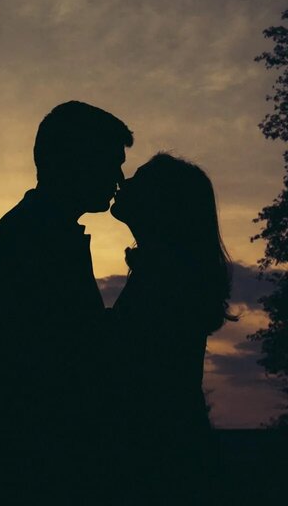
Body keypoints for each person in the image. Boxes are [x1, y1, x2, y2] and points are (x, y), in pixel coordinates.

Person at [0, 100, 133, 495]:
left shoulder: (39, 231)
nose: (119, 177)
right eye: (111, 161)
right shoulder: (34, 238)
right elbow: (58, 361)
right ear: (76, 159)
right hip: (41, 466)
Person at [108, 152, 235, 500]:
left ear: (162, 204)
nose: (123, 181)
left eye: (138, 178)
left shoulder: (165, 282)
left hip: (159, 469)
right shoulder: (167, 275)